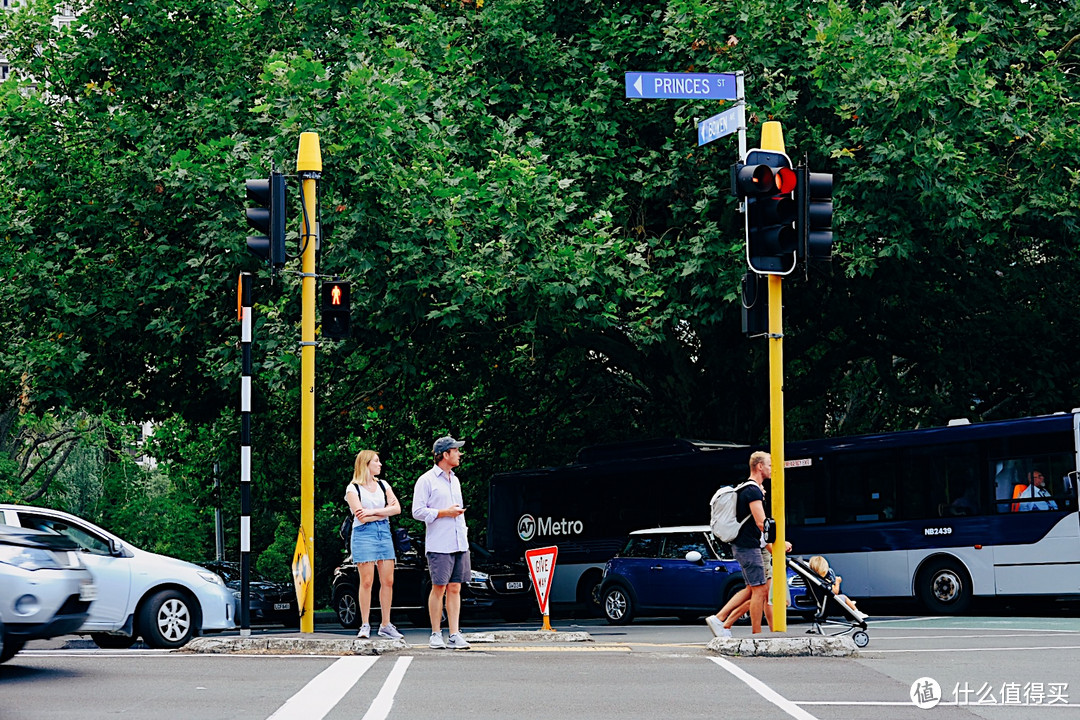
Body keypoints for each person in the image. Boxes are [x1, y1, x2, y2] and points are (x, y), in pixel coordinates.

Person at [412, 435, 471, 650]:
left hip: (458, 541)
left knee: (455, 587)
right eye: (455, 450)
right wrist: (444, 513)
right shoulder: (426, 480)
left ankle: (455, 633)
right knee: (439, 587)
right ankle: (436, 633)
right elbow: (417, 511)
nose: (459, 454)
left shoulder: (455, 479)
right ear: (445, 455)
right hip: (439, 543)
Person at [705, 451, 771, 636]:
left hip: (743, 546)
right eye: (769, 465)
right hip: (748, 547)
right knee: (759, 590)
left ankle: (720, 619)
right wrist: (777, 542)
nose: (772, 469)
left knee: (753, 588)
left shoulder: (745, 488)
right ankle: (756, 634)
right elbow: (761, 522)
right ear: (759, 466)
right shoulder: (752, 490)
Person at [344, 449, 404, 640]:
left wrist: (373, 512)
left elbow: (397, 509)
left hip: (383, 532)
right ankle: (365, 623)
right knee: (367, 581)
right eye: (376, 461)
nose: (380, 464)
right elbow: (359, 514)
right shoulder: (353, 488)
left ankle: (386, 624)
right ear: (366, 464)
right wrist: (383, 511)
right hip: (363, 534)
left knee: (388, 580)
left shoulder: (383, 484)